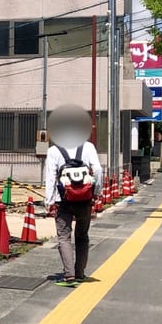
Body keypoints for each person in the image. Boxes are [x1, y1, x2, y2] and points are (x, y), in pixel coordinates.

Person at [43, 105, 103, 288]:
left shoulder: (54, 151)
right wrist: (96, 193)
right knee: (82, 236)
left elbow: (51, 177)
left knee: (64, 237)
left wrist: (49, 201)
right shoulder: (88, 147)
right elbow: (98, 170)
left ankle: (68, 276)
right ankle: (80, 273)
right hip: (85, 199)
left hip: (64, 201)